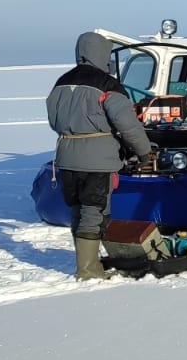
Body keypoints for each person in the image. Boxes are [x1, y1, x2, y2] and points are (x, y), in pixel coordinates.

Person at [46, 31, 156, 280]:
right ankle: (88, 270)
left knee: (78, 209)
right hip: (97, 159)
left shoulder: (60, 82)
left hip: (66, 157)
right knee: (94, 211)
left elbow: (53, 121)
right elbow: (128, 125)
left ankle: (89, 260)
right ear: (104, 54)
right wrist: (143, 152)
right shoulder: (108, 85)